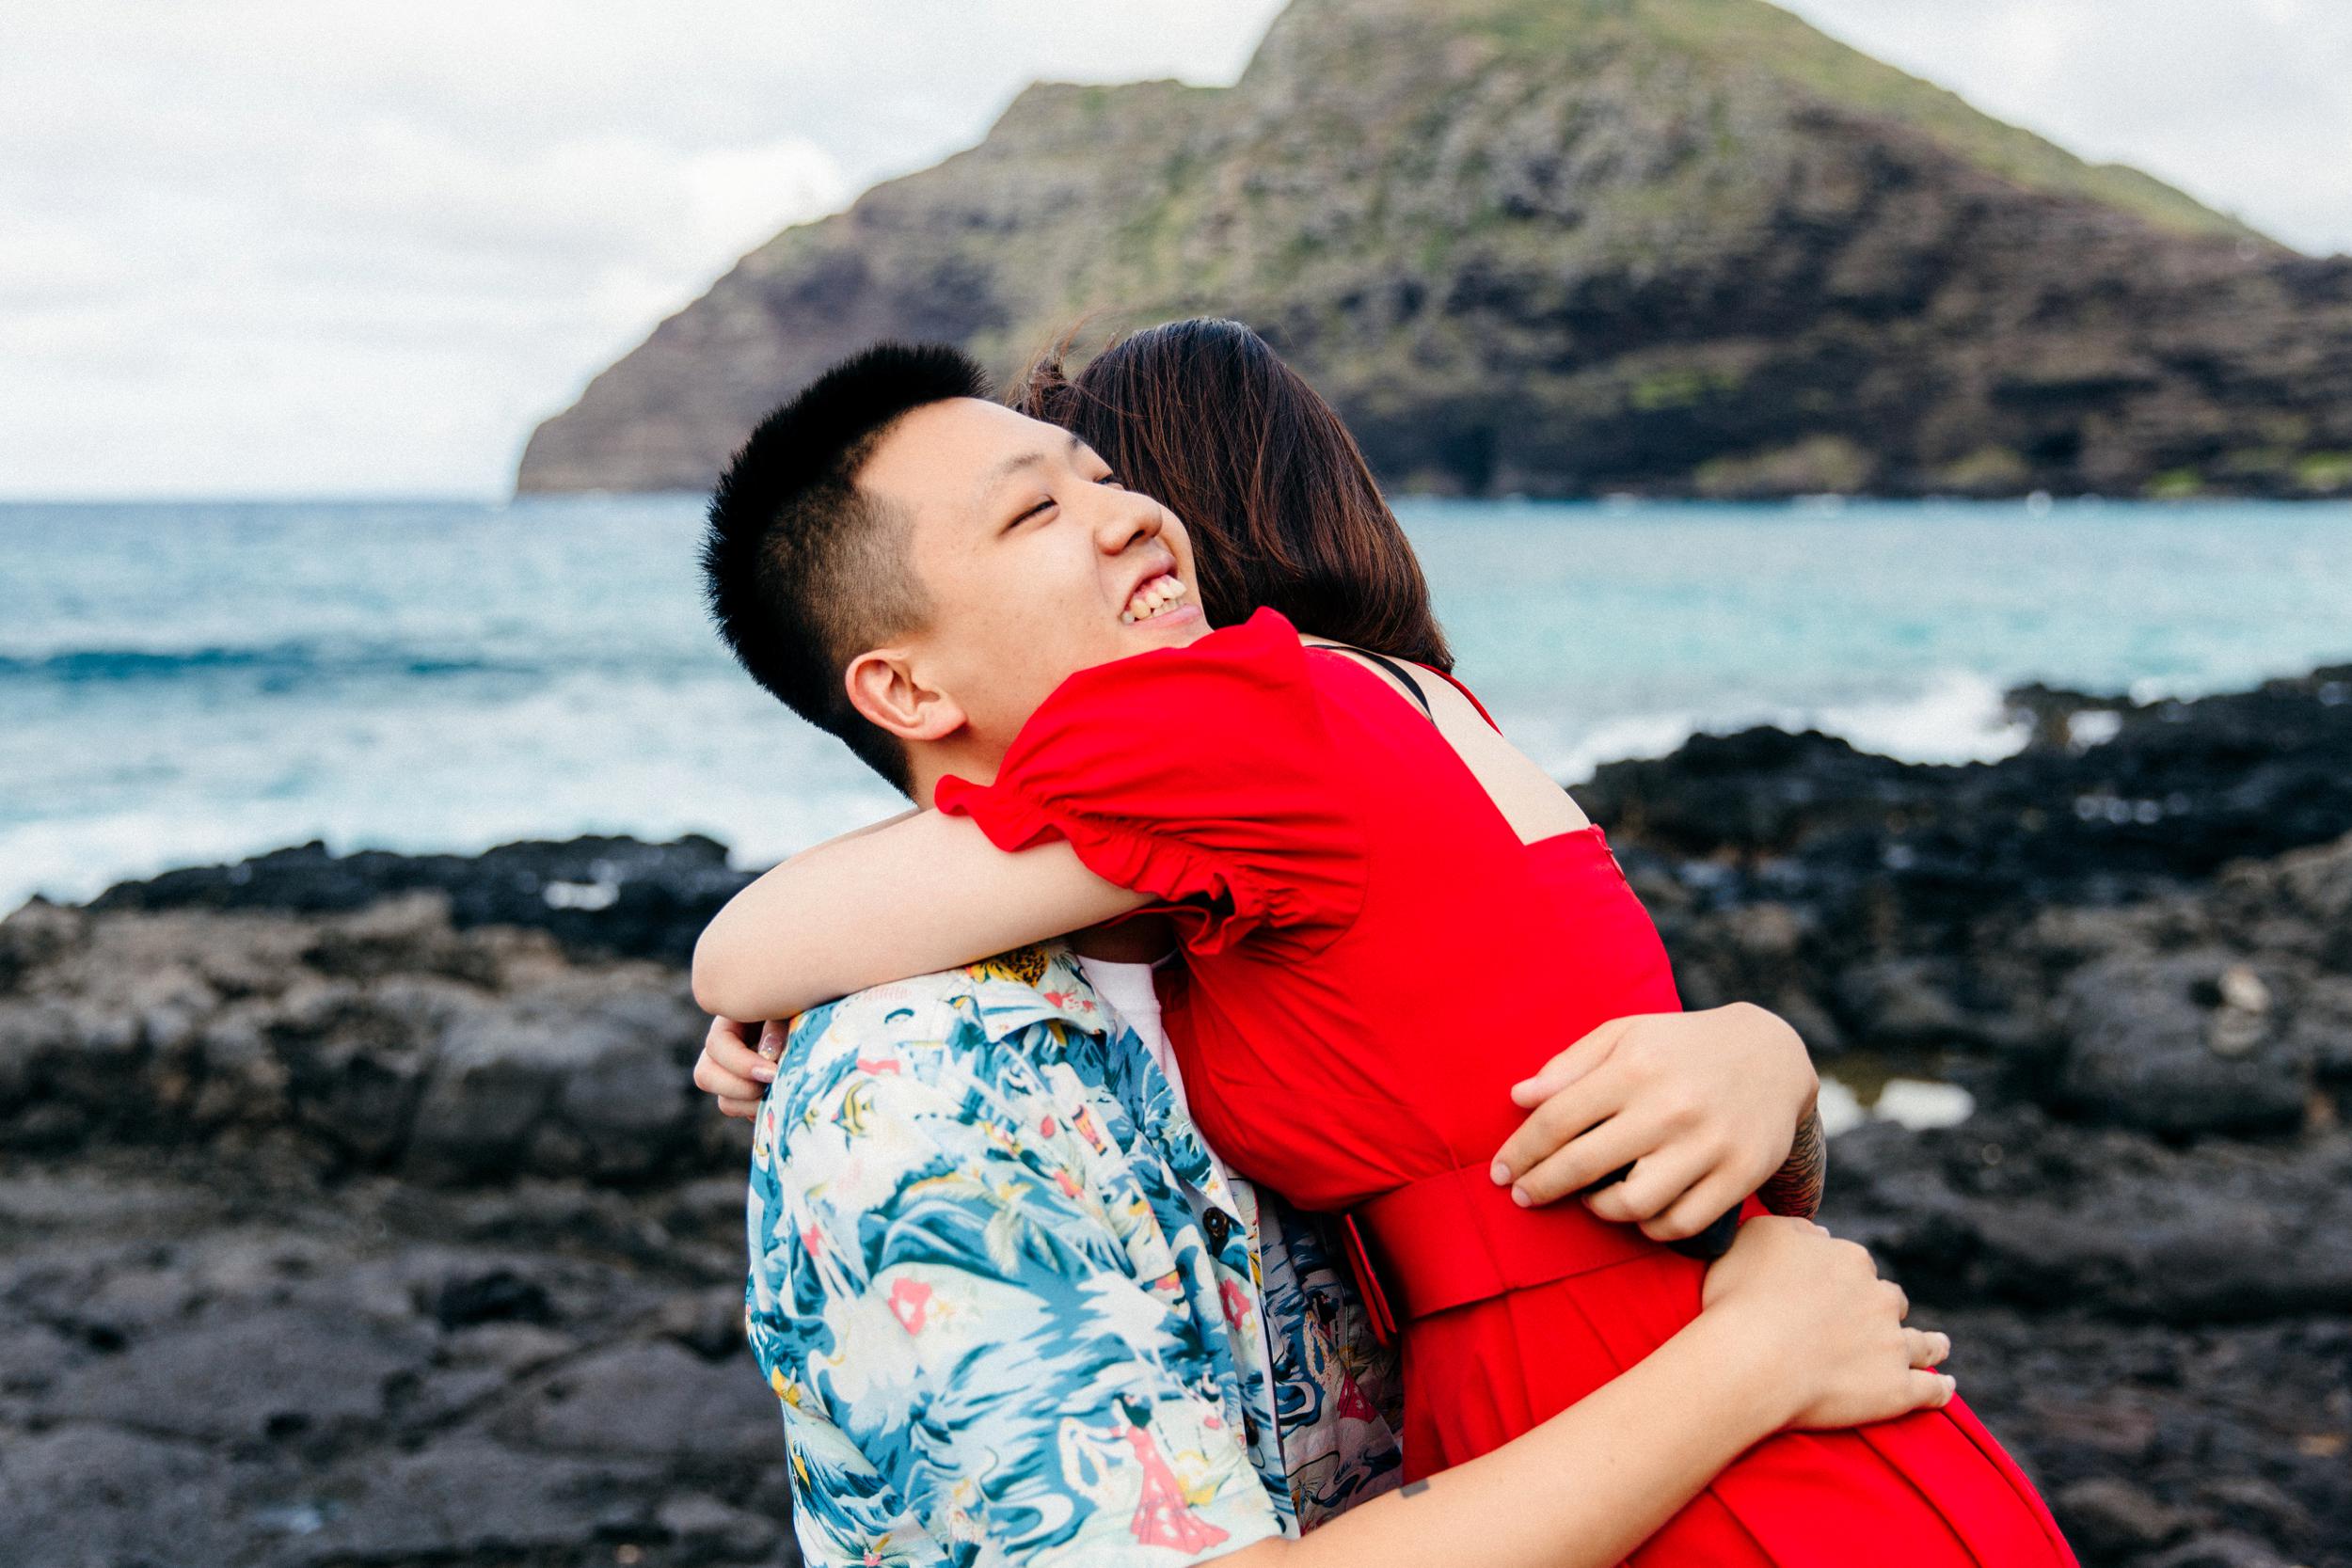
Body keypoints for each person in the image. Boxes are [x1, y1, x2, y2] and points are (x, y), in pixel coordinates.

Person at [694, 341, 2053, 1565]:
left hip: (1729, 1469)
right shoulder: (940, 1081)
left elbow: (745, 945)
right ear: (906, 685)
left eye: (1108, 474)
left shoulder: (1257, 793)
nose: (1129, 518)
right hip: (1722, 1430)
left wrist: (1773, 1073)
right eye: (1038, 507)